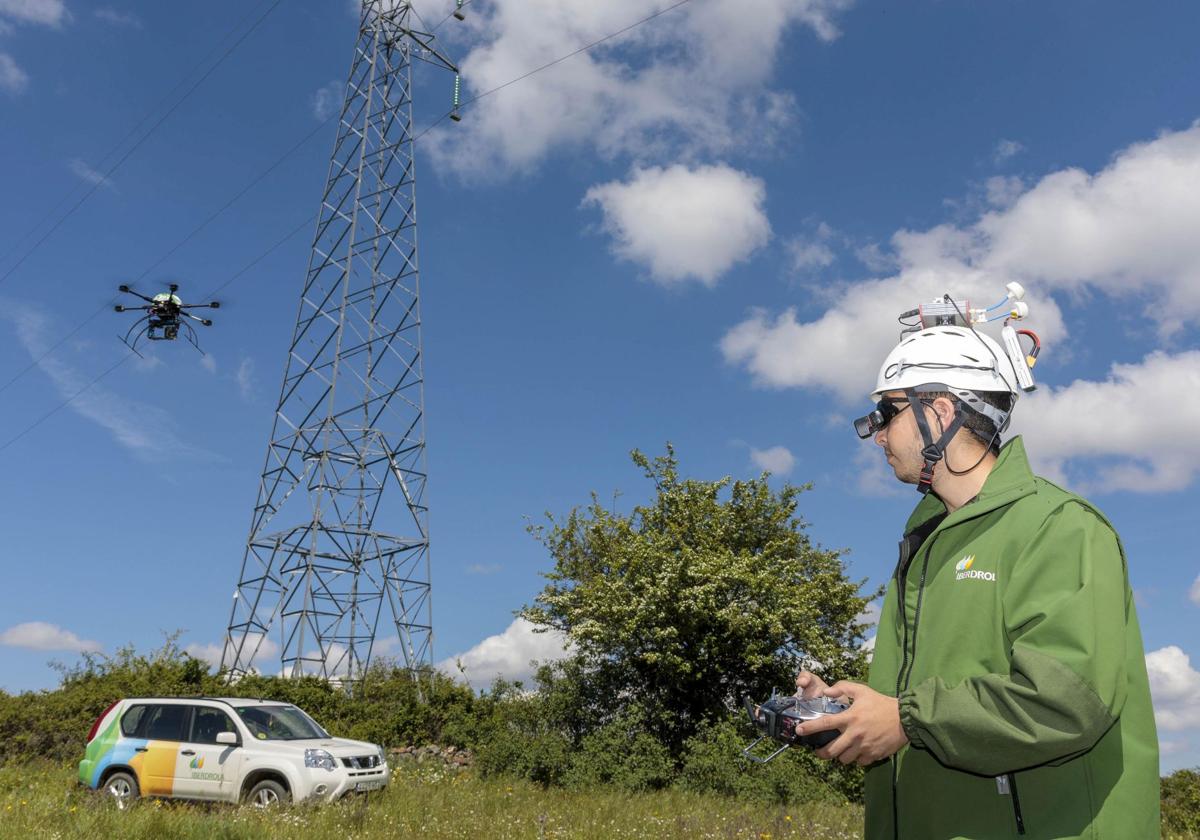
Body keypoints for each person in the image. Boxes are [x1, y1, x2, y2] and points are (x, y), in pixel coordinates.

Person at [795, 323, 1160, 838]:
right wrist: (858, 712)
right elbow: (914, 706)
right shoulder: (924, 546)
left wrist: (907, 719)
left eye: (888, 412)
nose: (877, 433)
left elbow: (1066, 701)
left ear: (939, 412)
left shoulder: (1058, 525)